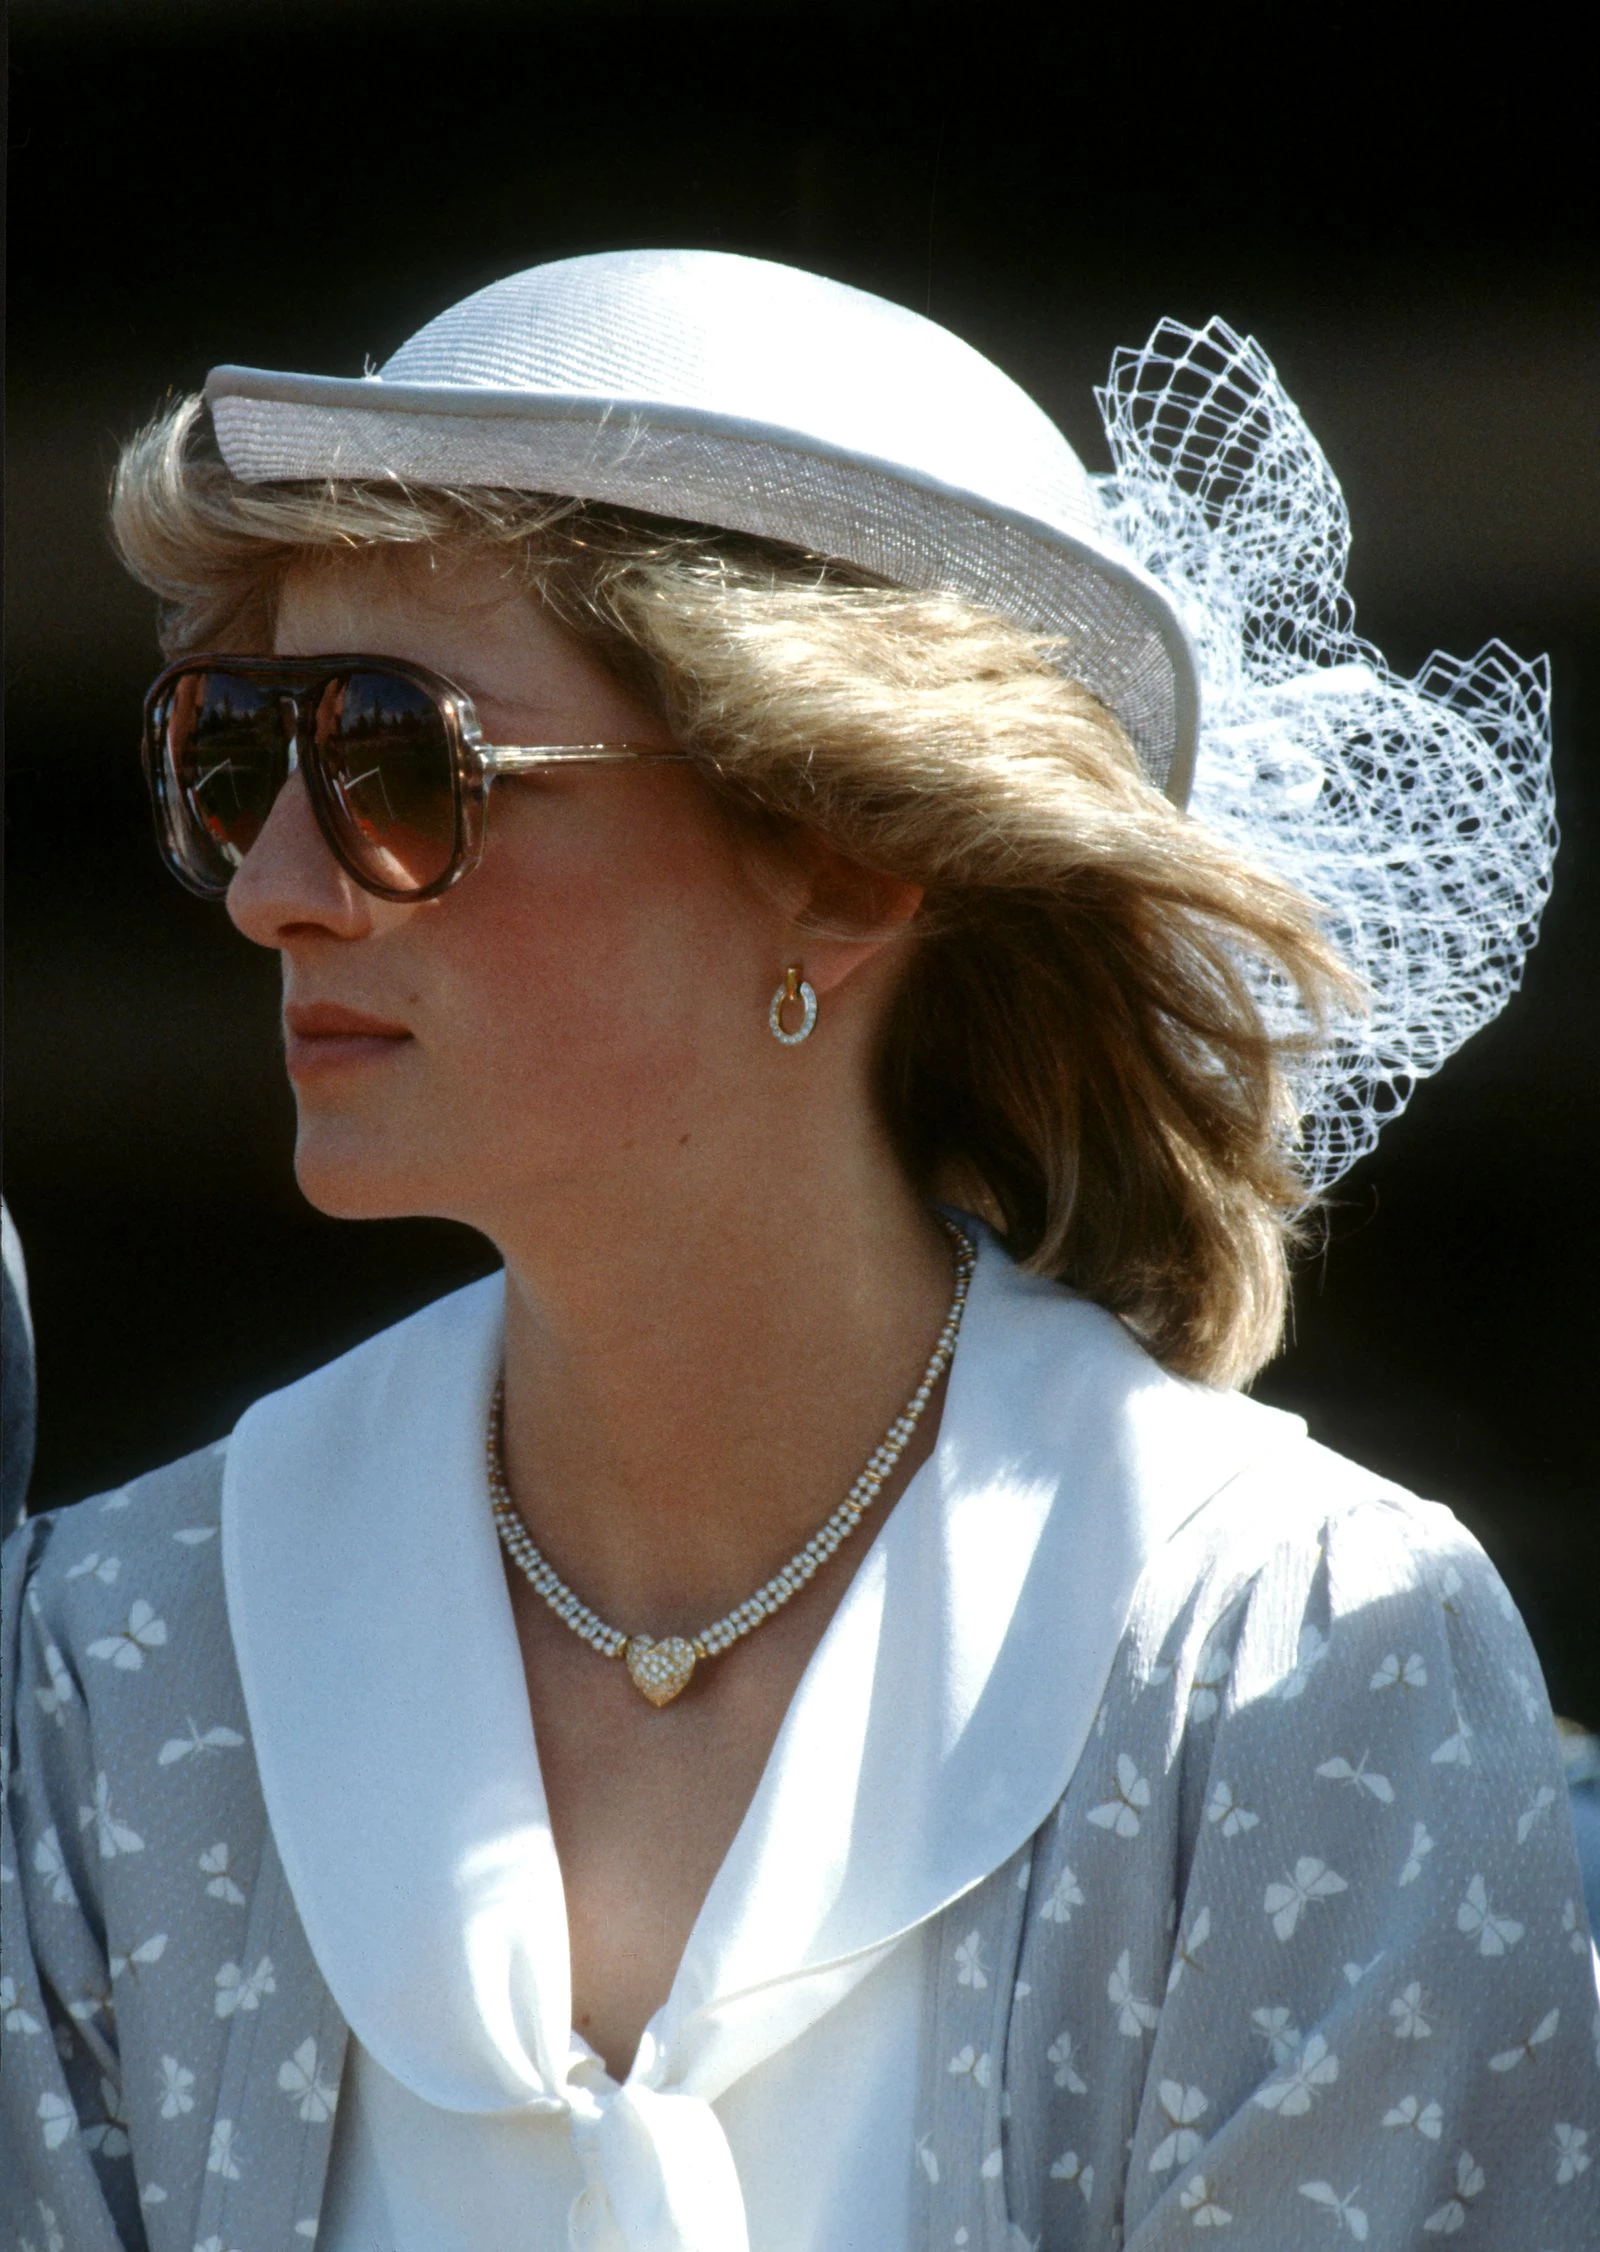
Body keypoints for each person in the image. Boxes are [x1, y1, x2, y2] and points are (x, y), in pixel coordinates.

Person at [1, 250, 1593, 2251]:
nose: (274, 888)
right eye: (238, 750)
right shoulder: (100, 1664)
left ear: (844, 857)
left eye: (402, 763)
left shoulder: (1286, 1664)